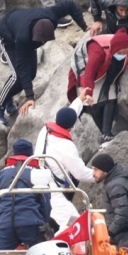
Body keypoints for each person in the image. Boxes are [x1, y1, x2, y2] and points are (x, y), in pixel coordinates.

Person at [0, 0, 87, 124]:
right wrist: (30, 96)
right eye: (40, 41)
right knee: (18, 75)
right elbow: (22, 66)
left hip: (23, 29)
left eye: (45, 41)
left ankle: (8, 99)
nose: (42, 43)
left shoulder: (51, 15)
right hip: (7, 34)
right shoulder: (23, 37)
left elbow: (70, 4)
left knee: (32, 74)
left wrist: (84, 26)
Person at [70, 28, 128, 147]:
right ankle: (103, 132)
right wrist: (88, 91)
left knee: (111, 97)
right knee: (92, 102)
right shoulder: (98, 51)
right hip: (89, 73)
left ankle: (106, 133)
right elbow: (90, 71)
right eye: (119, 53)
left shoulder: (125, 50)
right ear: (114, 49)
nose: (122, 55)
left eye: (124, 52)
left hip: (107, 72)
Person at [34, 96, 95, 228]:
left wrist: (79, 100)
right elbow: (80, 174)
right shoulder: (67, 146)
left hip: (33, 182)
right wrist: (98, 175)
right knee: (74, 223)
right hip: (52, 192)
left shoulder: (45, 131)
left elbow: (67, 114)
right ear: (72, 127)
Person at [0, 139, 51, 251]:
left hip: (6, 225)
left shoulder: (1, 174)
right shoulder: (38, 174)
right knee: (46, 252)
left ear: (14, 153)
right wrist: (43, 223)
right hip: (31, 224)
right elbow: (46, 205)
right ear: (30, 154)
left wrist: (3, 220)